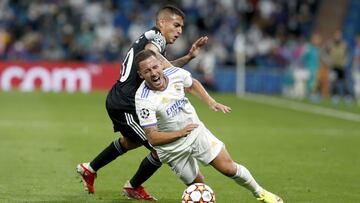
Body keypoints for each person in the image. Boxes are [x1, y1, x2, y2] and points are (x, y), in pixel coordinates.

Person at [76, 5, 208, 200]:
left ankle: (90, 168)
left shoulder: (152, 37)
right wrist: (177, 77)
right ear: (162, 23)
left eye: (182, 27)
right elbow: (152, 52)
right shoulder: (156, 39)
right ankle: (133, 186)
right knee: (160, 146)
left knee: (132, 141)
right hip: (126, 104)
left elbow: (162, 68)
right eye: (176, 25)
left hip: (124, 100)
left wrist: (188, 57)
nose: (180, 31)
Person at [134, 49, 284, 203]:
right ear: (141, 75)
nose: (153, 73)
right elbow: (152, 138)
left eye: (155, 67)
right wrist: (180, 133)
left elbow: (192, 84)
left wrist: (210, 101)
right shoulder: (144, 100)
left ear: (161, 65)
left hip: (196, 133)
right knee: (197, 187)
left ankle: (261, 193)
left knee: (228, 168)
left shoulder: (175, 74)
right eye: (147, 71)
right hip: (172, 149)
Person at [352, 35, 360, 105]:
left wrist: (354, 68)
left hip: (358, 69)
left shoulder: (357, 48)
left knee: (357, 85)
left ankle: (358, 99)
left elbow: (356, 59)